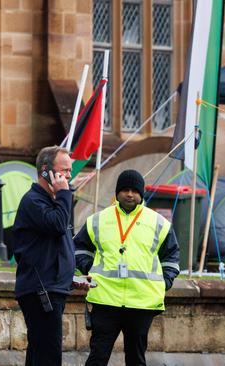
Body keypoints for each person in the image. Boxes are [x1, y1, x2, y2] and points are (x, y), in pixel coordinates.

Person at [74, 169, 180, 366]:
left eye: (134, 190)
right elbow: (78, 248)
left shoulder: (158, 223)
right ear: (117, 193)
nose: (129, 194)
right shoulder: (98, 220)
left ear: (141, 194)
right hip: (105, 300)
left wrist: (166, 281)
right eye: (125, 190)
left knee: (136, 360)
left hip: (141, 303)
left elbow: (171, 256)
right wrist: (89, 267)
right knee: (97, 357)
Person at [13, 145, 89, 366]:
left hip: (52, 287)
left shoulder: (56, 203)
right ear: (46, 170)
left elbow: (56, 247)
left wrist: (71, 279)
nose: (68, 176)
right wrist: (64, 193)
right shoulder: (34, 201)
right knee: (48, 357)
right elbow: (56, 225)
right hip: (40, 291)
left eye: (69, 171)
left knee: (39, 355)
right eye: (64, 171)